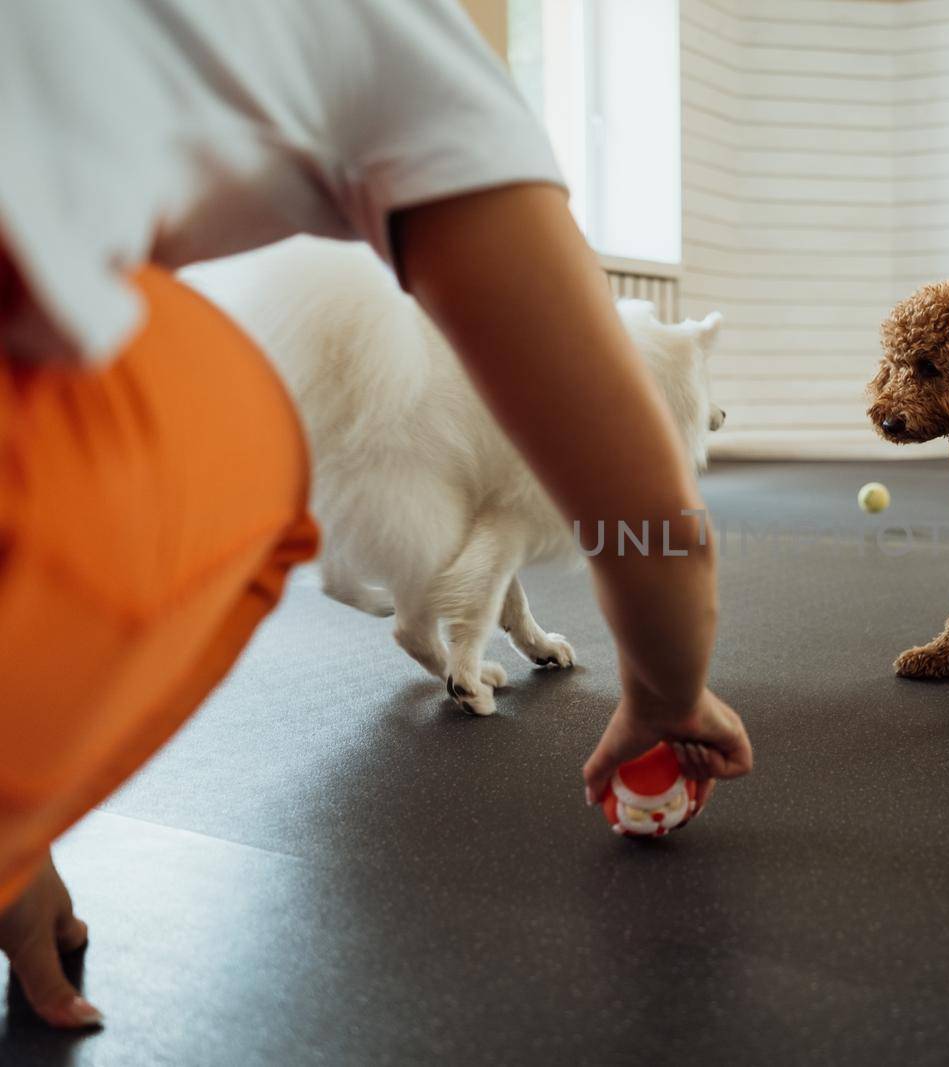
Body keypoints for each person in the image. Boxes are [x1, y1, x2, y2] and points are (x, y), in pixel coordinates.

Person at [0, 0, 753, 1030]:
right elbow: (650, 514)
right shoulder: (408, 47)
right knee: (232, 423)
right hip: (42, 443)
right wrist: (670, 692)